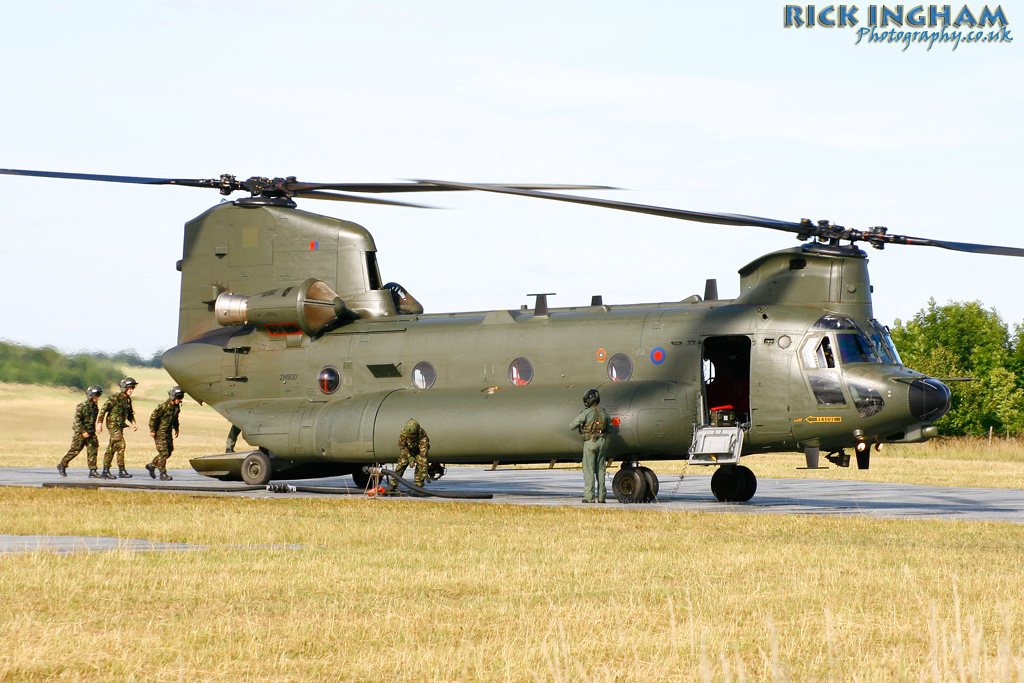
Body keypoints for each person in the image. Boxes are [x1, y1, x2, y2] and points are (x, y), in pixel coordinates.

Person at [569, 389, 610, 503]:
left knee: (589, 470)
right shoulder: (603, 412)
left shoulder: (586, 413)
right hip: (602, 442)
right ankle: (602, 497)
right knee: (601, 469)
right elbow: (610, 427)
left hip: (590, 442)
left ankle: (589, 497)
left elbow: (572, 426)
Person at [57, 385, 104, 477]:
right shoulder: (81, 406)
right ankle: (62, 465)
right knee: (75, 450)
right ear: (91, 395)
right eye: (96, 396)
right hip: (80, 433)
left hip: (91, 432)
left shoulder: (94, 407)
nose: (98, 398)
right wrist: (83, 431)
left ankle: (93, 470)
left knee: (93, 449)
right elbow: (77, 421)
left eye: (99, 396)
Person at [98, 377, 138, 479]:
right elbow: (103, 409)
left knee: (111, 447)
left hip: (120, 426)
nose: (132, 390)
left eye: (133, 388)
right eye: (130, 388)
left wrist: (133, 422)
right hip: (112, 425)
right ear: (124, 388)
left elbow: (129, 413)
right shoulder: (115, 398)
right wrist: (99, 423)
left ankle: (105, 470)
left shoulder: (128, 400)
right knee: (121, 444)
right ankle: (121, 470)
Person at [147, 386, 183, 481]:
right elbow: (153, 418)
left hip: (168, 432)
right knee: (164, 453)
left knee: (169, 451)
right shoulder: (163, 407)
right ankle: (162, 474)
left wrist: (176, 428)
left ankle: (152, 465)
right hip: (160, 433)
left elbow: (175, 419)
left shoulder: (176, 407)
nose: (180, 400)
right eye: (179, 398)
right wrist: (152, 430)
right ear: (173, 397)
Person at [389, 418, 430, 492]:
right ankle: (393, 485)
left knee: (420, 464)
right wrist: (409, 457)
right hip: (407, 451)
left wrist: (424, 470)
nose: (412, 437)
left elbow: (423, 454)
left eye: (413, 435)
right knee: (401, 464)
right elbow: (402, 447)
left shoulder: (423, 436)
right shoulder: (404, 434)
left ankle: (418, 487)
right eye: (410, 435)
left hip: (418, 452)